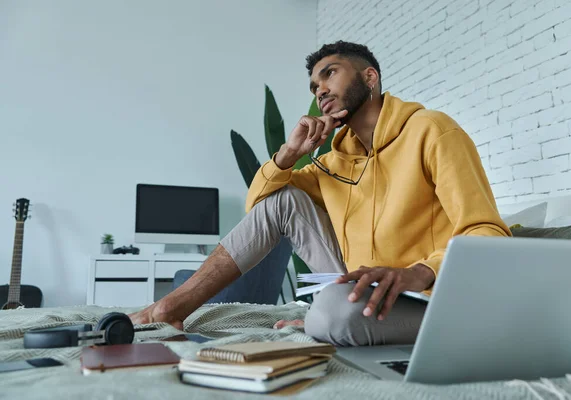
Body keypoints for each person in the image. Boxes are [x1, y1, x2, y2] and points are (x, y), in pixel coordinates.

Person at [129, 41, 511, 346]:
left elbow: (488, 232)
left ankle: (322, 318)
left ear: (370, 76)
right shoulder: (333, 162)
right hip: (359, 291)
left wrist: (419, 273)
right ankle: (169, 308)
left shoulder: (432, 131)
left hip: (427, 297)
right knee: (285, 201)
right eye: (314, 85)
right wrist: (289, 154)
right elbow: (261, 208)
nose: (320, 89)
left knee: (335, 315)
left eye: (330, 74)